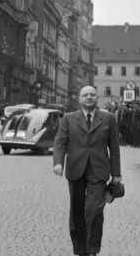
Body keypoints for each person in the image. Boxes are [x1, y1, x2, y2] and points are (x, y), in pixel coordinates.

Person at [52, 85, 121, 256]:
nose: (89, 97)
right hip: (75, 170)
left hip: (98, 172)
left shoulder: (108, 118)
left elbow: (114, 147)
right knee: (77, 211)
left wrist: (116, 173)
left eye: (92, 94)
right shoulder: (68, 118)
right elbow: (60, 142)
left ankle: (93, 250)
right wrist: (58, 163)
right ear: (79, 99)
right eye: (85, 95)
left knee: (95, 210)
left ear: (97, 98)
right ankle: (80, 250)